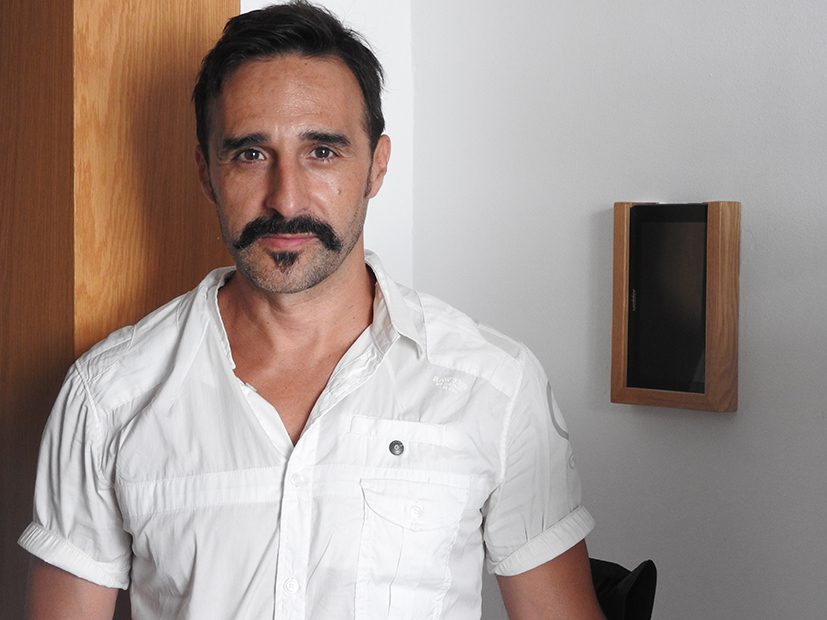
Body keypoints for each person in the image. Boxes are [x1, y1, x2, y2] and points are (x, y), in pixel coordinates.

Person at [20, 2, 605, 619]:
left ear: (377, 166)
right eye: (250, 154)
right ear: (206, 172)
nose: (286, 198)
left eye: (322, 152)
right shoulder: (108, 396)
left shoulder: (494, 386)